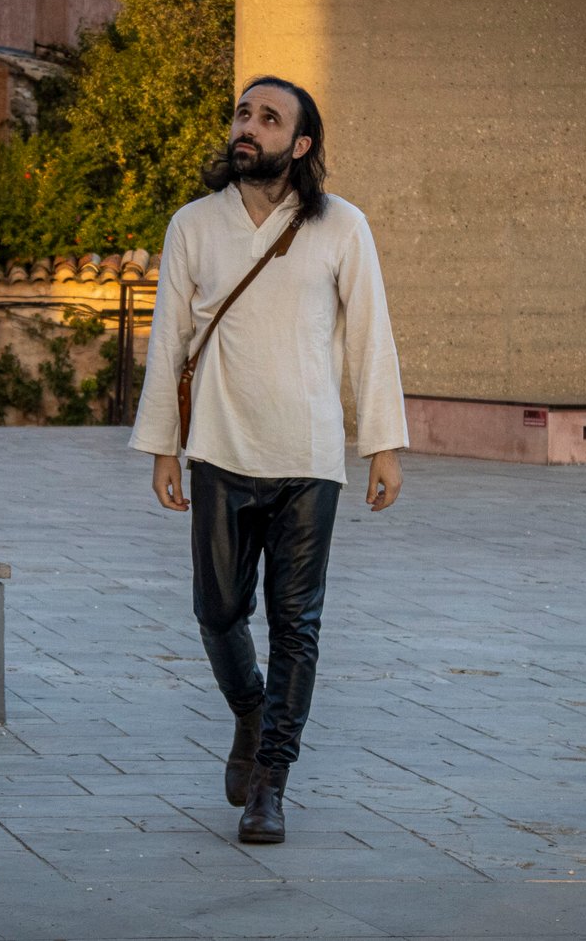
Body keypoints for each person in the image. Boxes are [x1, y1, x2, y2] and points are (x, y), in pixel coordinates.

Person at [129, 76, 408, 844]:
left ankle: (270, 783)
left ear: (301, 143)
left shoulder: (341, 226)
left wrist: (382, 444)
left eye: (268, 118)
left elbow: (370, 337)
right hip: (219, 449)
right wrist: (161, 447)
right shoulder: (194, 224)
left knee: (296, 625)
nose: (247, 126)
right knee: (217, 612)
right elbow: (168, 341)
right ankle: (252, 712)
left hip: (308, 456)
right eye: (243, 113)